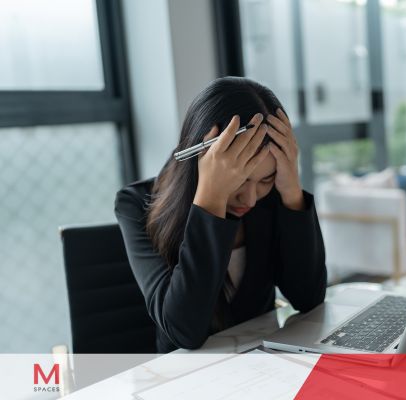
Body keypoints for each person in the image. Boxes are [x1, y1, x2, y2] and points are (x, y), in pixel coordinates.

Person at [114, 77, 327, 353]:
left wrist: (290, 190)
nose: (250, 199)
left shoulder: (273, 196)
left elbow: (309, 299)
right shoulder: (135, 204)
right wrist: (211, 197)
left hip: (265, 367)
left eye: (266, 179)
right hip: (187, 380)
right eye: (240, 180)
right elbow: (184, 332)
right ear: (202, 161)